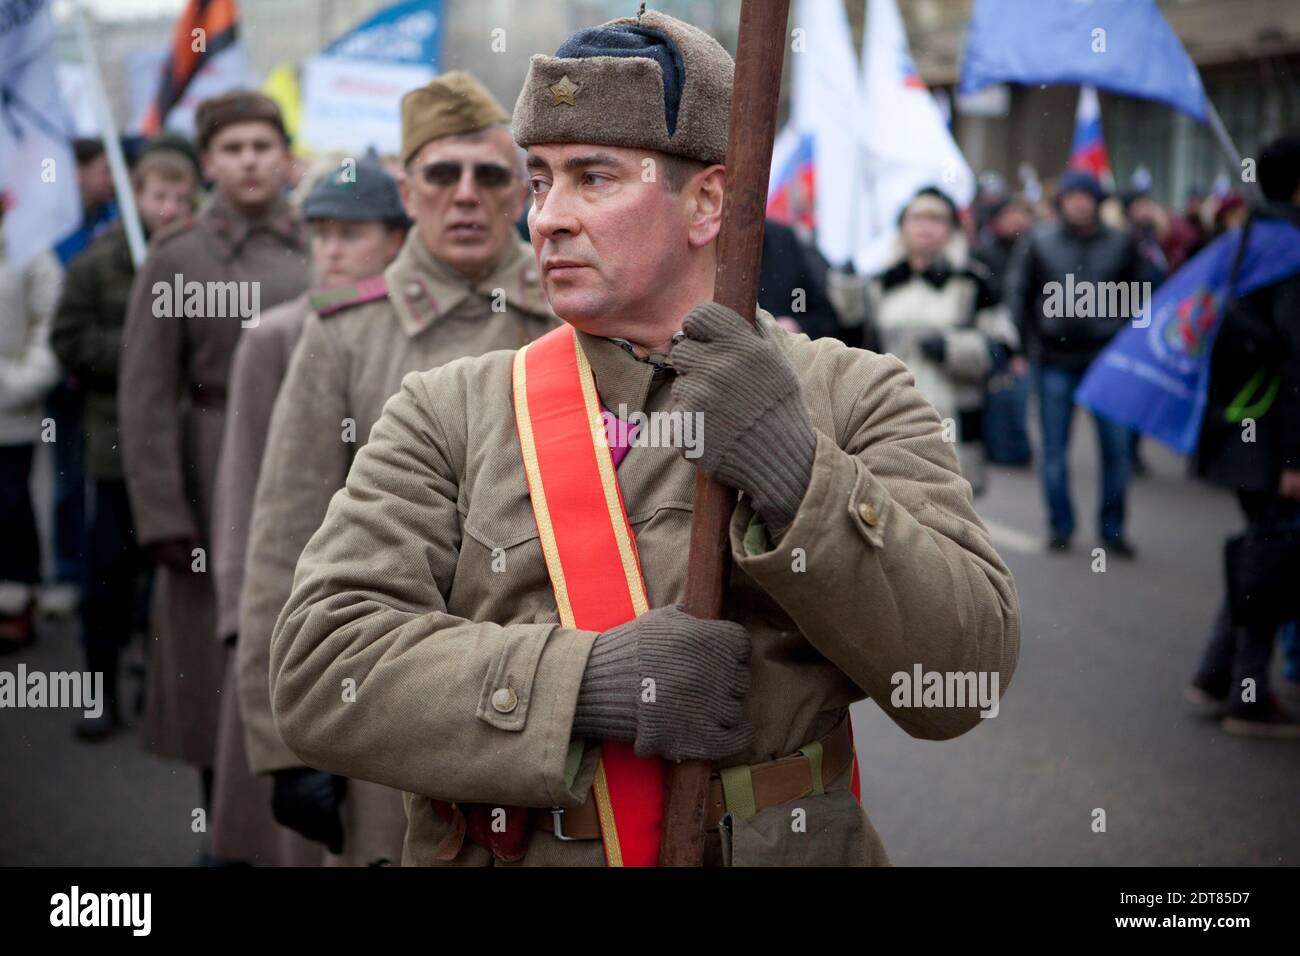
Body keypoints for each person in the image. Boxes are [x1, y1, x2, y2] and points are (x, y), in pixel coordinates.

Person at [268, 10, 1020, 867]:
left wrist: (799, 475)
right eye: (541, 180)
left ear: (708, 201)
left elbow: (963, 678)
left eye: (593, 179)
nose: (546, 218)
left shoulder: (853, 396)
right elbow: (321, 671)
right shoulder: (450, 411)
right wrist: (584, 685)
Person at [238, 72, 555, 866]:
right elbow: (286, 542)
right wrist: (282, 744)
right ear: (408, 193)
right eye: (442, 175)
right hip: (393, 711)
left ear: (520, 191)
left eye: (489, 176)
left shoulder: (575, 314)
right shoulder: (345, 333)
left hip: (565, 703)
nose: (466, 196)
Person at [204, 156, 411, 866]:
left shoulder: (409, 329)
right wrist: (243, 620)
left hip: (380, 610)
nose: (331, 247)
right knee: (293, 833)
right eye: (319, 230)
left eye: (351, 231)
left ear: (395, 236)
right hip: (287, 599)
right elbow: (245, 495)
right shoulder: (275, 335)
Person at [118, 91, 311, 835]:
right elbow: (144, 398)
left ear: (285, 155)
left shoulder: (323, 241)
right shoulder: (179, 256)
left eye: (263, 145)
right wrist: (163, 515)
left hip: (307, 457)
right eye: (233, 149)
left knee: (306, 647)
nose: (250, 161)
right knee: (213, 668)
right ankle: (222, 834)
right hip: (212, 471)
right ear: (209, 163)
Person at [51, 144, 199, 739]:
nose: (167, 209)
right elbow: (68, 338)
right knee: (107, 572)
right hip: (116, 444)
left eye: (179, 198)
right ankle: (98, 687)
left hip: (183, 449)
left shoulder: (200, 259)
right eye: (157, 196)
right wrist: (142, 354)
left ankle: (162, 683)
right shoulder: (98, 262)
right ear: (135, 196)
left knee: (172, 575)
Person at [1186, 134, 1300, 738]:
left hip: (1236, 428)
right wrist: (1292, 458)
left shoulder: (1249, 240)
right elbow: (1296, 363)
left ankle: (1214, 674)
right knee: (1272, 558)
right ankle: (1247, 698)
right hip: (1270, 435)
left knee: (1263, 550)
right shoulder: (1290, 250)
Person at [1007, 169, 1142, 554]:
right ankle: (1060, 526)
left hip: (1107, 362)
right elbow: (1019, 295)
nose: (1080, 203)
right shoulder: (1039, 240)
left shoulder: (1121, 243)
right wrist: (1027, 345)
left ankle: (1112, 530)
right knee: (1053, 450)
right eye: (1073, 196)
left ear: (1098, 202)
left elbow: (1141, 295)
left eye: (1087, 196)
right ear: (1061, 201)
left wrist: (1128, 347)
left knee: (1116, 451)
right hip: (1054, 358)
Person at [865, 187, 1017, 496]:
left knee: (949, 522)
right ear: (902, 226)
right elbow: (855, 349)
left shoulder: (974, 281)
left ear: (950, 229)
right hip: (888, 420)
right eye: (917, 218)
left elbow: (1002, 348)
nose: (926, 227)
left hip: (954, 423)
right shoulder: (879, 283)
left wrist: (951, 349)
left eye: (936, 219)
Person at [0, 206, 62, 649]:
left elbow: (52, 323)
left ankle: (15, 602)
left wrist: (20, 383)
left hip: (11, 417)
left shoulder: (28, 250)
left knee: (9, 507)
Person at [973, 195, 1034, 467]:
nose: (1016, 220)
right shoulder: (983, 254)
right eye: (1009, 215)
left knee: (1017, 396)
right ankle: (1000, 448)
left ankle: (1015, 448)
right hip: (994, 332)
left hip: (1024, 335)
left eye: (1019, 214)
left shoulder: (1030, 250)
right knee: (1000, 394)